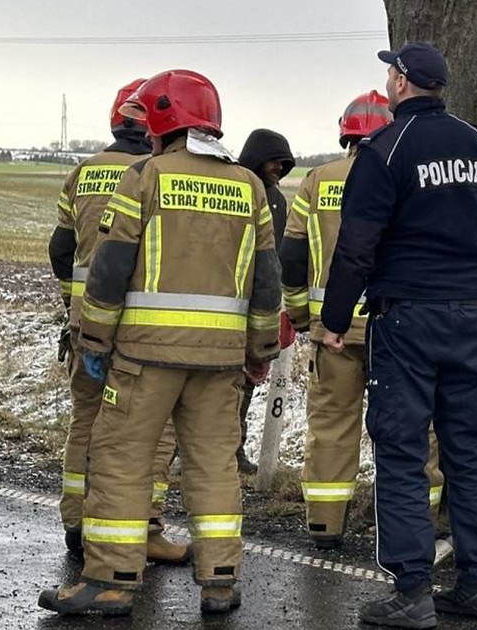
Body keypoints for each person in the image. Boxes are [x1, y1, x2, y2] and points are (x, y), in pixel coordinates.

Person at [38, 69, 281, 616]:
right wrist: (260, 351)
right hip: (220, 364)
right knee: (214, 465)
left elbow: (109, 269)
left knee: (122, 459)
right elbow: (266, 283)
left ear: (165, 121)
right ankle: (220, 580)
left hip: (143, 358)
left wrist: (94, 339)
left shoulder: (145, 177)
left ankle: (113, 578)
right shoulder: (249, 188)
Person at [320, 42, 477, 628]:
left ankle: (412, 593)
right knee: (466, 453)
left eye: (390, 70)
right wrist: (458, 248)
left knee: (403, 452)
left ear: (403, 83)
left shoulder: (386, 149)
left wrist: (333, 323)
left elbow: (356, 246)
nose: (386, 77)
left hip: (409, 319)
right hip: (475, 317)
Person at [280, 91, 443, 550]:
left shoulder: (317, 180)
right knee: (410, 425)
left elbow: (292, 255)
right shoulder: (405, 171)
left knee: (331, 424)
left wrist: (298, 312)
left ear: (345, 133)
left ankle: (325, 526)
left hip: (332, 330)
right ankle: (415, 523)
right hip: (396, 327)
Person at [46, 78, 186, 565]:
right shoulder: (159, 173)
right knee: (152, 430)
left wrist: (74, 307)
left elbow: (61, 252)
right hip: (141, 331)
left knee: (85, 421)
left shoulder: (82, 173)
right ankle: (144, 525)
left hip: (87, 326)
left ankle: (76, 521)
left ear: (114, 120)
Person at [235, 128, 296, 475]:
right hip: (232, 300)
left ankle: (235, 448)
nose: (279, 168)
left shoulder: (276, 199)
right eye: (274, 161)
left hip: (263, 301)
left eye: (284, 164)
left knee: (248, 380)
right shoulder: (238, 185)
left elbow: (278, 254)